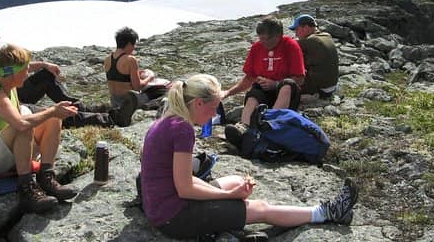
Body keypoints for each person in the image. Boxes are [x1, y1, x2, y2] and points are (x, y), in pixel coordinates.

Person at [140, 74, 357, 239]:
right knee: (260, 208)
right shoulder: (182, 130)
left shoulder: (168, 121)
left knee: (236, 181)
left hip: (162, 205)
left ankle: (225, 226)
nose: (214, 115)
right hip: (174, 217)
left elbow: (183, 179)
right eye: (213, 108)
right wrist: (228, 196)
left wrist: (230, 193)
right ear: (198, 103)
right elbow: (185, 188)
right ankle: (325, 212)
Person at [0, 17, 112, 151]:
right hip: (5, 106)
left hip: (10, 97)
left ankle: (82, 108)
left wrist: (43, 64)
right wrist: (3, 103)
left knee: (46, 76)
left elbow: (13, 68)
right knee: (50, 113)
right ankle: (106, 119)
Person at [0, 43, 79, 213]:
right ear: (13, 72)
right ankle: (27, 189)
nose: (27, 73)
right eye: (25, 69)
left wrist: (54, 113)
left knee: (53, 119)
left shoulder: (10, 87)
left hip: (7, 151)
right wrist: (52, 110)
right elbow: (20, 124)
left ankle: (46, 178)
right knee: (24, 125)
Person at [221, 18, 305, 146]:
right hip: (265, 92)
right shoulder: (257, 47)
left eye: (266, 39)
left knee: (287, 85)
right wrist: (228, 93)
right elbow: (249, 78)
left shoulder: (291, 46)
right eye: (260, 38)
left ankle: (271, 125)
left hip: (286, 94)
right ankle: (244, 128)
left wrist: (275, 84)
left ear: (278, 36)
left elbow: (300, 78)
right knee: (254, 92)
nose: (262, 42)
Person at [103, 27, 161, 127]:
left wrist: (137, 73)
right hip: (129, 101)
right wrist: (150, 77)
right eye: (134, 44)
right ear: (129, 44)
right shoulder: (131, 60)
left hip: (114, 100)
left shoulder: (107, 59)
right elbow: (137, 86)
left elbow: (119, 78)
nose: (134, 48)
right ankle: (143, 109)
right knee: (160, 91)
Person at [288, 14, 339, 101]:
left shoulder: (311, 40)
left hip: (320, 89)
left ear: (306, 27)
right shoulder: (326, 35)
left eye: (297, 29)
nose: (296, 33)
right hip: (331, 86)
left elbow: (288, 45)